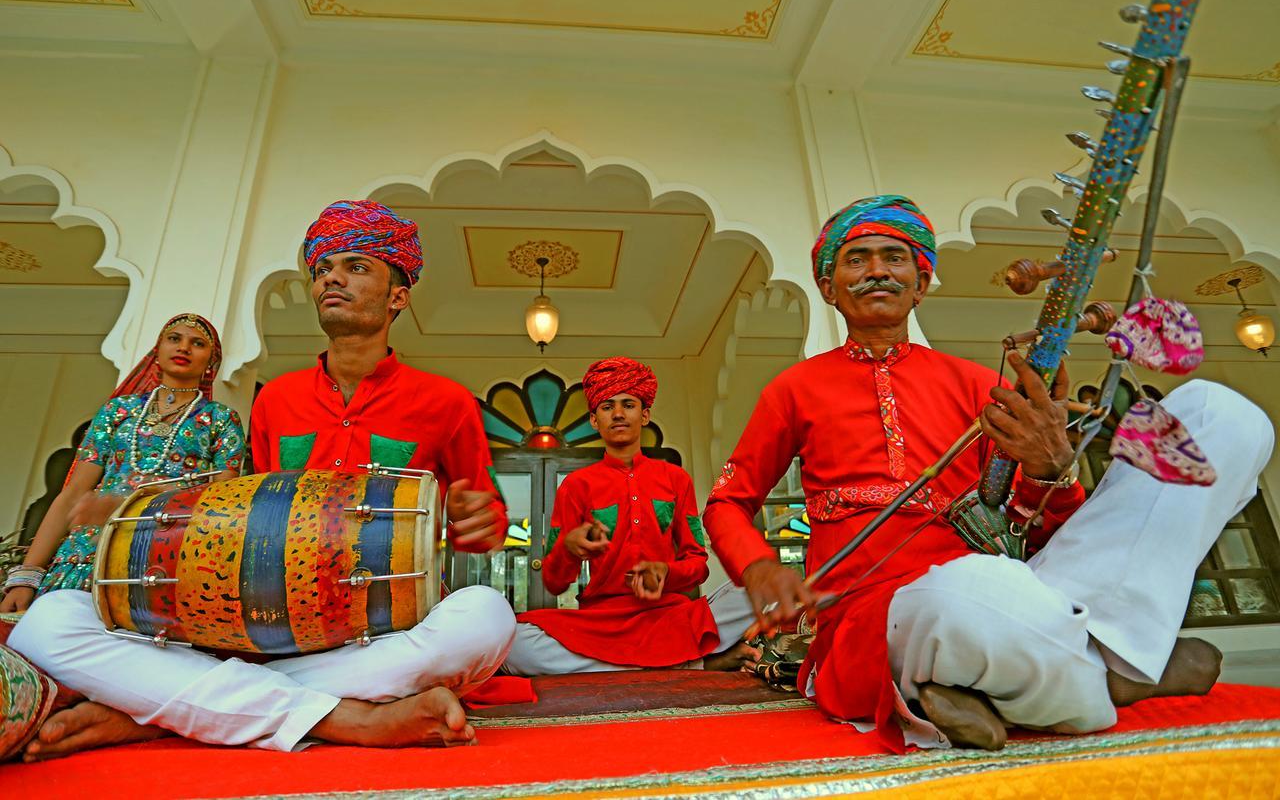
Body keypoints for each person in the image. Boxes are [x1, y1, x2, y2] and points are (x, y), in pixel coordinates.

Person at [703, 195, 1272, 751]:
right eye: (857, 259)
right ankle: (1119, 671)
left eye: (895, 257)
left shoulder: (979, 384)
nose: (877, 270)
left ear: (921, 283)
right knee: (967, 595)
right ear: (828, 288)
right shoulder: (793, 389)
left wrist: (1052, 470)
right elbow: (728, 502)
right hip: (891, 614)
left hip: (1022, 589)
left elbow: (1051, 531)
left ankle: (1016, 683)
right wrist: (759, 571)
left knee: (1222, 416)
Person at [10, 200, 516, 760]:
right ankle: (349, 718)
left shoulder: (445, 402)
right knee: (49, 620)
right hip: (271, 625)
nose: (332, 278)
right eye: (323, 269)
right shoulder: (276, 399)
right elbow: (244, 517)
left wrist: (480, 519)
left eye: (356, 266)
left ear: (397, 296)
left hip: (387, 623)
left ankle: (160, 713)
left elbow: (483, 524)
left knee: (486, 618)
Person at [504, 357, 755, 676]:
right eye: (607, 407)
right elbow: (554, 582)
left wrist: (666, 572)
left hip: (668, 617)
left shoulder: (676, 479)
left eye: (628, 404)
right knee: (514, 643)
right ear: (594, 420)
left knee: (756, 590)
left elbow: (697, 563)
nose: (619, 414)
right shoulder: (576, 486)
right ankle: (692, 662)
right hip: (601, 624)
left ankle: (640, 664)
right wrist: (568, 548)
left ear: (645, 414)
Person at [1, 313, 245, 613]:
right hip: (84, 558)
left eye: (197, 343)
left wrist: (125, 504)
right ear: (156, 350)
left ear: (211, 361)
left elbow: (221, 506)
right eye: (174, 339)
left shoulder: (221, 420)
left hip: (161, 562)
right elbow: (74, 493)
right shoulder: (118, 411)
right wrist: (26, 577)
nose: (184, 348)